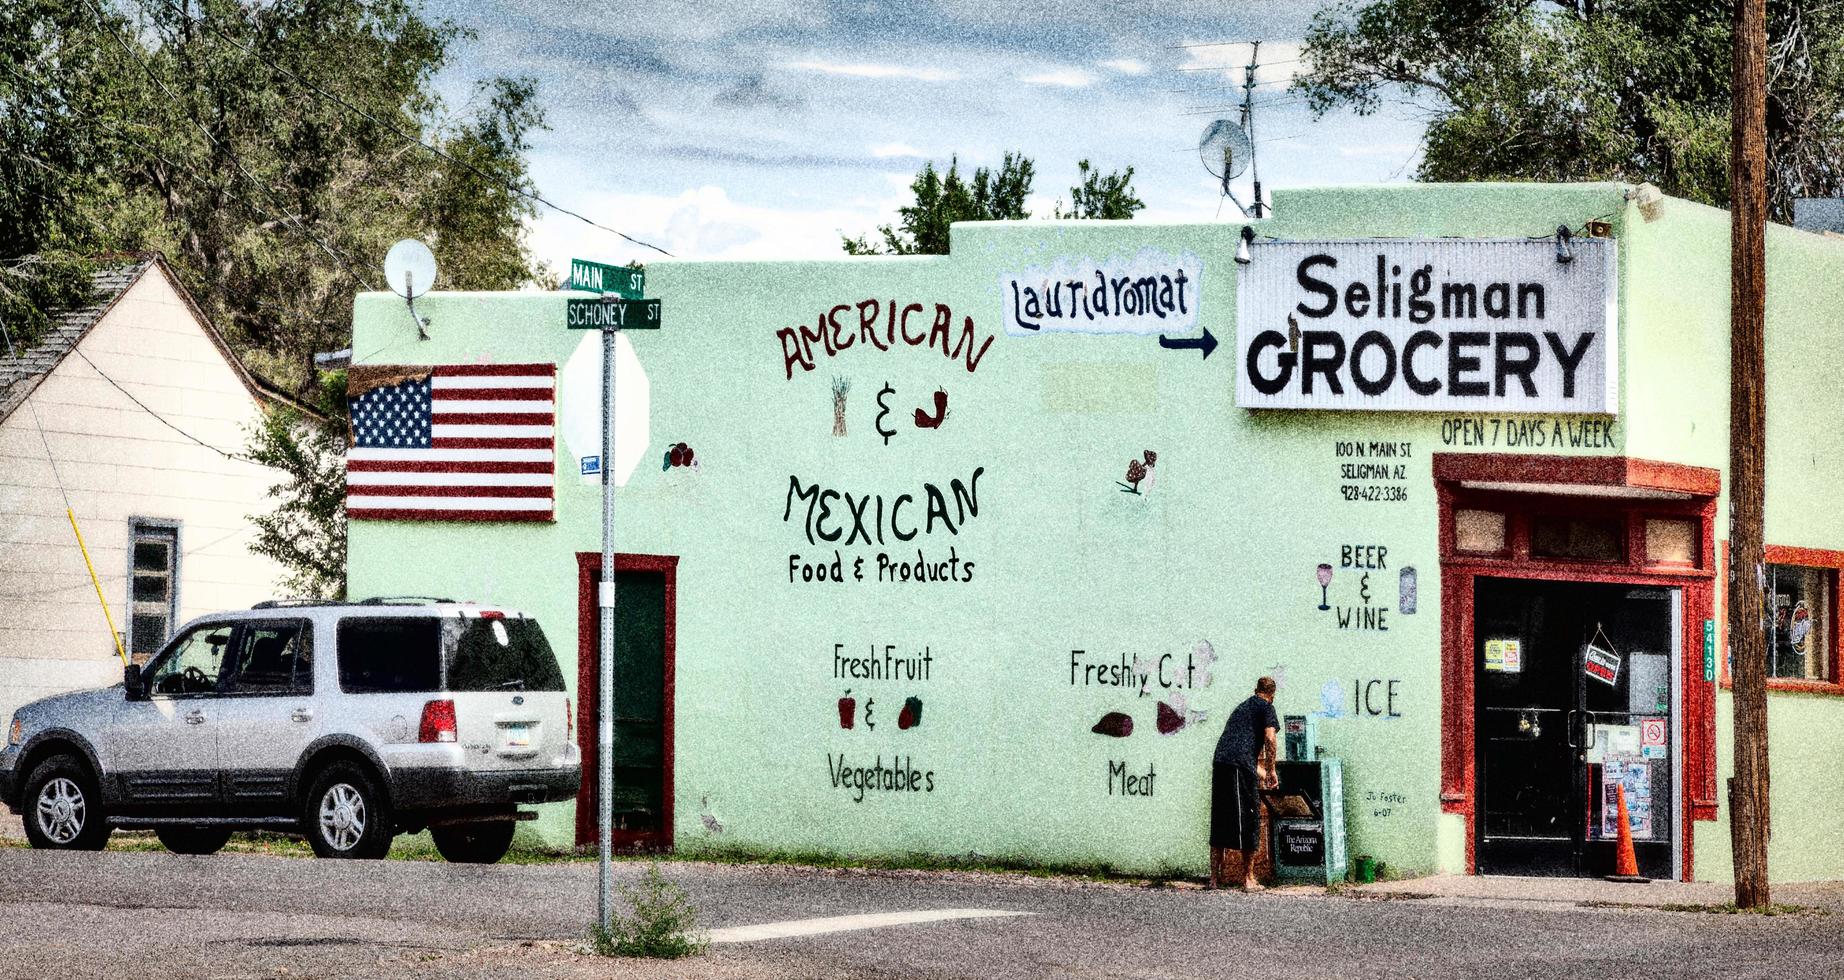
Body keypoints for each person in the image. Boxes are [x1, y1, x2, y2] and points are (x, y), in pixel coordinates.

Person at [1210, 676, 1280, 891]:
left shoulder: (1243, 708)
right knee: (1249, 820)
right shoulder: (1267, 707)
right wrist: (1271, 770)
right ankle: (1248, 879)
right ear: (1272, 695)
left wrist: (1263, 775)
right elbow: (1270, 738)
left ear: (1255, 690)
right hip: (1238, 767)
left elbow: (1243, 756)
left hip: (1222, 763)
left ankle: (1214, 879)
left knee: (1221, 820)